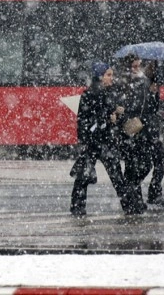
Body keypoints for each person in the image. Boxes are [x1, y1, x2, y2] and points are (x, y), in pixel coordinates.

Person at [70, 62, 128, 217]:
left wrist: (117, 114)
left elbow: (109, 119)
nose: (111, 78)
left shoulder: (108, 93)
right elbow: (87, 122)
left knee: (114, 176)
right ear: (100, 76)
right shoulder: (90, 95)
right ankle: (129, 206)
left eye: (111, 75)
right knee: (87, 176)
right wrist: (108, 118)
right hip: (95, 142)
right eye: (108, 75)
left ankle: (78, 207)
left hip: (104, 141)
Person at [115, 54, 154, 215]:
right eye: (134, 66)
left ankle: (134, 197)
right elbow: (120, 108)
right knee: (132, 168)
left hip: (141, 130)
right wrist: (127, 117)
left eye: (139, 65)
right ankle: (133, 201)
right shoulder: (122, 84)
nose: (137, 69)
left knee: (144, 165)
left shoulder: (144, 81)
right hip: (129, 132)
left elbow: (149, 105)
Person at [143, 60, 164, 207]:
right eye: (151, 65)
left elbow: (151, 108)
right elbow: (141, 108)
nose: (153, 67)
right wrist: (149, 93)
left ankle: (155, 192)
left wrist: (157, 113)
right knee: (144, 165)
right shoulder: (142, 84)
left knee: (160, 162)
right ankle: (134, 193)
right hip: (144, 132)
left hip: (152, 131)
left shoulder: (154, 83)